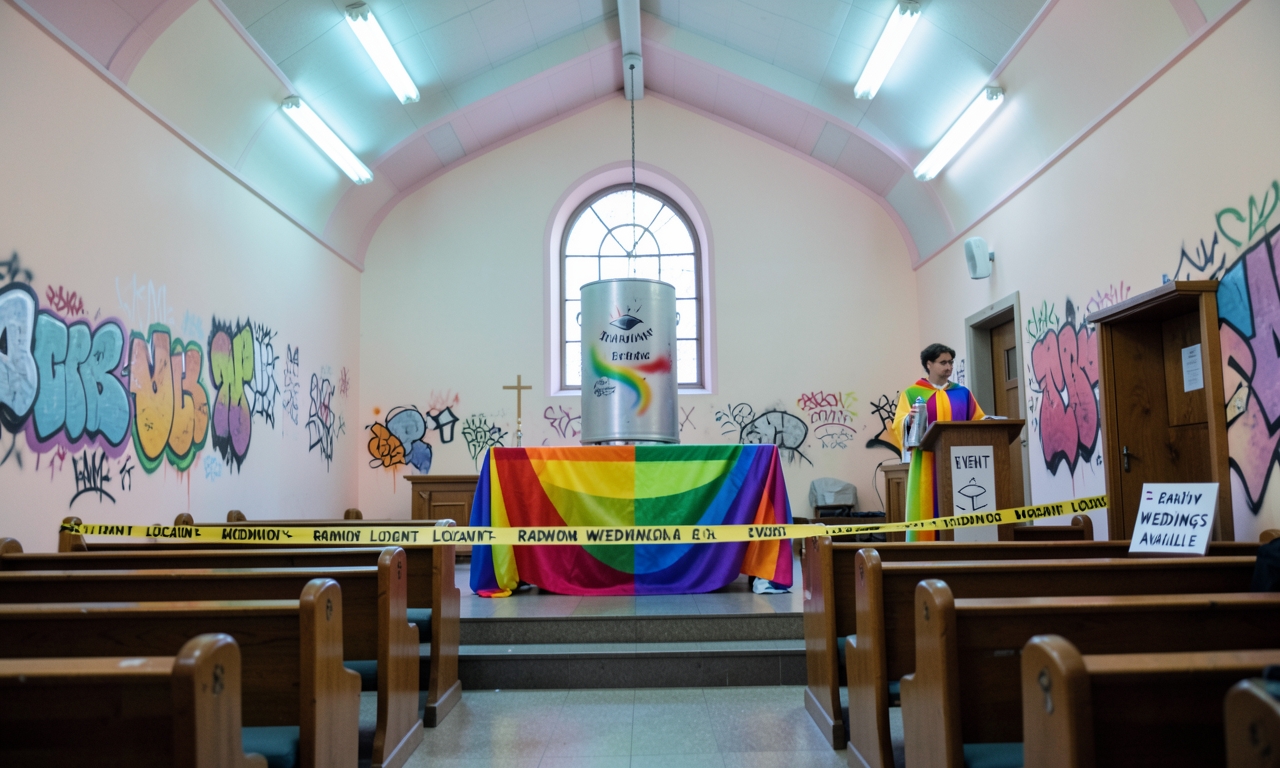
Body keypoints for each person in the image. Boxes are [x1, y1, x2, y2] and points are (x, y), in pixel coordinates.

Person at [890, 344, 985, 542]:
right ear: (929, 364)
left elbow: (979, 421)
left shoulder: (963, 393)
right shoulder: (911, 393)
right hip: (926, 462)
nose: (948, 367)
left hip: (959, 463)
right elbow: (898, 425)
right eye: (943, 362)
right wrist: (910, 421)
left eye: (951, 362)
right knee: (926, 505)